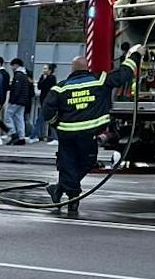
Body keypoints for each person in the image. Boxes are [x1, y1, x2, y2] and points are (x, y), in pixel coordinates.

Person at [41, 49, 140, 217]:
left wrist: (57, 123)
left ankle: (61, 191)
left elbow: (47, 111)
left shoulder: (60, 88)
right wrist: (136, 55)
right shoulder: (99, 80)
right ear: (87, 68)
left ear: (72, 70)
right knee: (87, 163)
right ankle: (71, 198)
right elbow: (124, 74)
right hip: (87, 134)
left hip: (66, 134)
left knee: (68, 165)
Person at [5, 58, 35, 146]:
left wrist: (12, 100)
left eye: (12, 65)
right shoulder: (25, 75)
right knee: (19, 118)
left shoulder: (18, 75)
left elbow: (17, 89)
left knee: (7, 117)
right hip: (24, 101)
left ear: (16, 65)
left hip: (16, 100)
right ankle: (22, 137)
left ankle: (13, 133)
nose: (11, 67)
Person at [28, 63, 57, 141]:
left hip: (48, 102)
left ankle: (34, 136)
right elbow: (39, 86)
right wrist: (43, 80)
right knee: (43, 120)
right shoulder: (42, 77)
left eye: (45, 69)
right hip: (43, 100)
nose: (44, 71)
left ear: (50, 70)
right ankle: (38, 136)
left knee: (42, 119)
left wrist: (44, 80)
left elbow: (47, 86)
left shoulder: (52, 78)